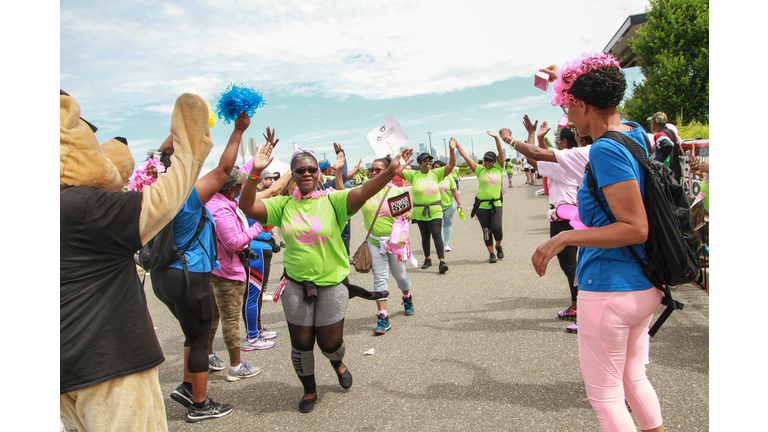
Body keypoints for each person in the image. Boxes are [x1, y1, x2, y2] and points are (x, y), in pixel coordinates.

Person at [61, 92, 213, 431]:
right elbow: (161, 198)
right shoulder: (84, 206)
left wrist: (165, 151)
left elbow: (144, 175)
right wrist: (189, 148)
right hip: (108, 363)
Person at [531, 53, 665, 432]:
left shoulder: (605, 149)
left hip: (610, 288)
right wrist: (567, 81)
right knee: (634, 380)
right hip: (644, 282)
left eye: (568, 108)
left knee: (606, 398)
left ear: (584, 105)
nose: (568, 119)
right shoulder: (636, 134)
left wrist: (568, 237)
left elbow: (635, 226)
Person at [239, 145, 414, 413]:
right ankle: (310, 390)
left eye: (312, 169)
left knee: (329, 342)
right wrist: (254, 173)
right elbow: (247, 205)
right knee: (302, 344)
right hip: (296, 285)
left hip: (332, 284)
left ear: (320, 174)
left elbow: (364, 191)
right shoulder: (283, 205)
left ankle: (337, 363)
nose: (307, 173)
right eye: (301, 170)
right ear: (293, 174)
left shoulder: (335, 201)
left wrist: (390, 172)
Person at [151, 112, 253, 422]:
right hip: (189, 275)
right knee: (198, 339)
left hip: (162, 275)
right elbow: (224, 170)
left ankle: (186, 385)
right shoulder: (186, 196)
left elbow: (162, 155)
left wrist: (179, 129)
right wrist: (237, 131)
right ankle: (200, 404)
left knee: (189, 332)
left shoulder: (153, 191)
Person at [504, 118, 591, 334]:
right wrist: (537, 136)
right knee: (573, 267)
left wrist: (512, 138)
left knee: (572, 268)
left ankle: (584, 313)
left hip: (565, 218)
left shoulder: (564, 165)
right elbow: (541, 154)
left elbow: (534, 157)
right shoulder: (578, 160)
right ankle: (576, 307)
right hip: (572, 216)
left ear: (563, 143)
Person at [359, 156, 415, 334]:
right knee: (380, 278)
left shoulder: (395, 192)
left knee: (401, 276)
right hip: (375, 242)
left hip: (395, 242)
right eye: (372, 169)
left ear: (387, 172)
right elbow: (339, 189)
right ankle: (383, 317)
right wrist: (339, 171)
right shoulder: (364, 190)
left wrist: (408, 215)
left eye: (378, 169)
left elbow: (407, 211)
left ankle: (407, 296)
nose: (374, 172)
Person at [397, 145, 456, 273]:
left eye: (430, 161)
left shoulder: (436, 173)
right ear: (419, 163)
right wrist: (400, 158)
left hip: (435, 210)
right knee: (425, 236)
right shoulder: (413, 175)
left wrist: (452, 150)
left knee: (436, 234)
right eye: (425, 161)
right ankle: (427, 259)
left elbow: (451, 165)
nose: (428, 163)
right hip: (419, 211)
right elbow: (396, 171)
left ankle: (442, 261)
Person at [454, 131, 506, 263]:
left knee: (497, 228)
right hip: (482, 205)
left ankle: (498, 246)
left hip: (496, 204)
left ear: (494, 162)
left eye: (490, 160)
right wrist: (457, 145)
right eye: (485, 160)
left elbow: (500, 153)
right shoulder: (479, 169)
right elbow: (466, 157)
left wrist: (496, 138)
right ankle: (491, 254)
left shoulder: (499, 168)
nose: (487, 162)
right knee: (487, 230)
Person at [432, 159, 462, 252]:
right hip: (435, 206)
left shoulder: (448, 178)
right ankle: (440, 244)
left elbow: (454, 191)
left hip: (448, 205)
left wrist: (459, 203)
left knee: (448, 224)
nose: (434, 169)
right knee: (438, 226)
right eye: (433, 167)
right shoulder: (430, 178)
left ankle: (446, 244)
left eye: (437, 167)